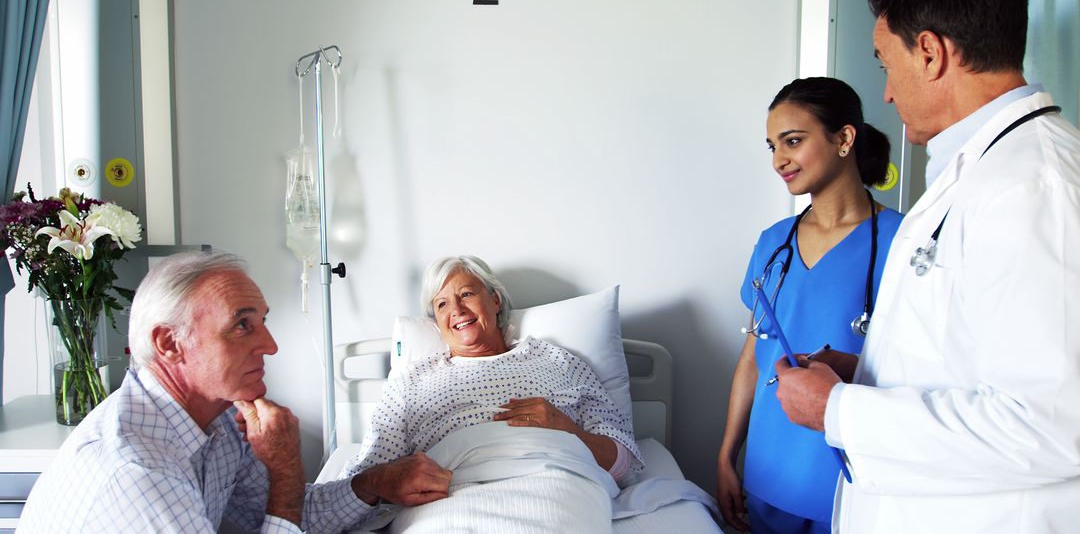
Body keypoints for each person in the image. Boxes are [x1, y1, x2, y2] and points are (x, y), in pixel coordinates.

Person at [772, 0, 1080, 532]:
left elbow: (1054, 426)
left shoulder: (1035, 187)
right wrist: (870, 369)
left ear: (932, 53)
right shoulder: (982, 173)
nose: (886, 91)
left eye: (887, 64)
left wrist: (837, 410)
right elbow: (975, 354)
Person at [16, 252, 426, 533]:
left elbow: (285, 517)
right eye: (242, 325)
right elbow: (283, 507)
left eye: (263, 322)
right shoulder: (138, 471)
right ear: (169, 344)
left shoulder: (221, 423)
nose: (270, 345)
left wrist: (375, 483)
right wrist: (283, 472)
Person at [717, 77, 902, 533]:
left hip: (850, 478)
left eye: (793, 141)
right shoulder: (773, 244)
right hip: (767, 470)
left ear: (844, 138)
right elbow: (753, 357)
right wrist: (727, 454)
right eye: (773, 146)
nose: (780, 160)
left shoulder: (904, 244)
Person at [337, 255, 643, 529]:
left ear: (495, 300)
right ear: (436, 321)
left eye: (466, 294)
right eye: (441, 304)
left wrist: (568, 428)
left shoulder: (558, 361)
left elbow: (622, 467)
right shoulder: (411, 381)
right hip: (444, 497)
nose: (456, 310)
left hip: (555, 485)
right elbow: (370, 477)